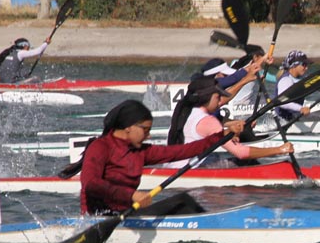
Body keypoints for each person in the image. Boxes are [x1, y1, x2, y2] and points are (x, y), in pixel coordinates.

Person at [74, 99, 233, 215]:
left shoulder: (141, 151)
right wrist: (132, 195)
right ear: (129, 127)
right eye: (145, 130)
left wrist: (220, 137)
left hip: (126, 213)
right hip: (97, 217)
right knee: (183, 203)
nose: (148, 136)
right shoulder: (100, 147)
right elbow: (91, 184)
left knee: (184, 202)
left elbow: (181, 151)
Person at [167, 75, 293, 167]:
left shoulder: (186, 110)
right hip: (192, 170)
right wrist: (280, 149)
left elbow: (206, 133)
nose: (220, 101)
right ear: (207, 97)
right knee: (245, 161)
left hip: (174, 166)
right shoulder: (209, 121)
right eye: (217, 97)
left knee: (220, 157)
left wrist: (227, 133)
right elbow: (242, 153)